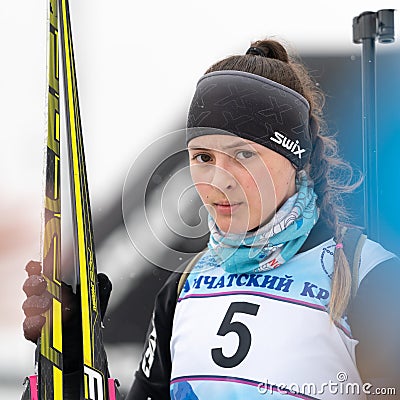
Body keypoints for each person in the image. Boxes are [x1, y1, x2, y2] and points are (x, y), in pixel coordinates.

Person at [22, 39, 400, 399]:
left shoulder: (369, 278)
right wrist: (72, 363)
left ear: (295, 160)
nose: (220, 180)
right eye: (203, 157)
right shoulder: (185, 286)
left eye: (244, 156)